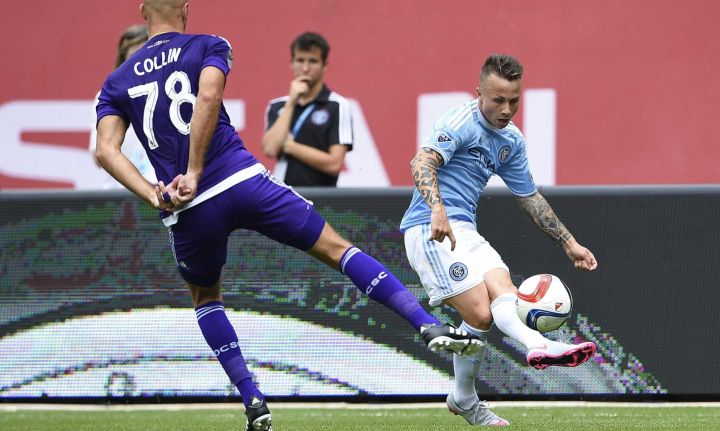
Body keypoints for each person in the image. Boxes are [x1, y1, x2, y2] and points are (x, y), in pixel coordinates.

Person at [94, 2, 480, 430]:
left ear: (142, 9)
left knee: (206, 299)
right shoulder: (209, 45)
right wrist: (197, 170)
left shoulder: (116, 81)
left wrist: (152, 193)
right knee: (338, 249)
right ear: (186, 9)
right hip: (240, 181)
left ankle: (252, 397)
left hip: (188, 209)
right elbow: (208, 95)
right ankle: (425, 324)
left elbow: (105, 150)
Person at [400, 54, 598, 426]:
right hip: (429, 227)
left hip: (466, 230)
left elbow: (529, 196)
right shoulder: (459, 121)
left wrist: (568, 242)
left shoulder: (510, 140)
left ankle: (470, 391)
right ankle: (534, 346)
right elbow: (421, 163)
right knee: (478, 312)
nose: (507, 109)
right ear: (479, 94)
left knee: (505, 289)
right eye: (498, 100)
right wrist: (437, 209)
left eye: (515, 100)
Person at [261, 32, 352, 187]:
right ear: (291, 63)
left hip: (322, 200)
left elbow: (334, 164)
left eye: (313, 61)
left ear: (325, 65)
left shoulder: (337, 105)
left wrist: (290, 146)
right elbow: (270, 149)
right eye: (300, 60)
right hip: (283, 197)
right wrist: (291, 102)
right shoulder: (277, 106)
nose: (305, 68)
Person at [88, 24, 157, 188]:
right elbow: (98, 155)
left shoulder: (171, 92)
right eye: (134, 57)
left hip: (165, 192)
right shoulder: (106, 97)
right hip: (119, 193)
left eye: (146, 55)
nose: (141, 63)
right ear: (123, 61)